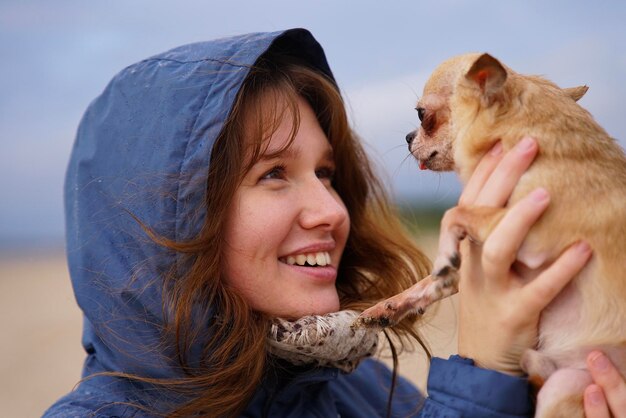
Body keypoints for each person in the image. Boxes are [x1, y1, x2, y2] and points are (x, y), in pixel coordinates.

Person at [44, 28, 624, 417]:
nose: (332, 209)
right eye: (273, 173)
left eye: (327, 173)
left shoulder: (358, 386)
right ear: (171, 210)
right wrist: (476, 375)